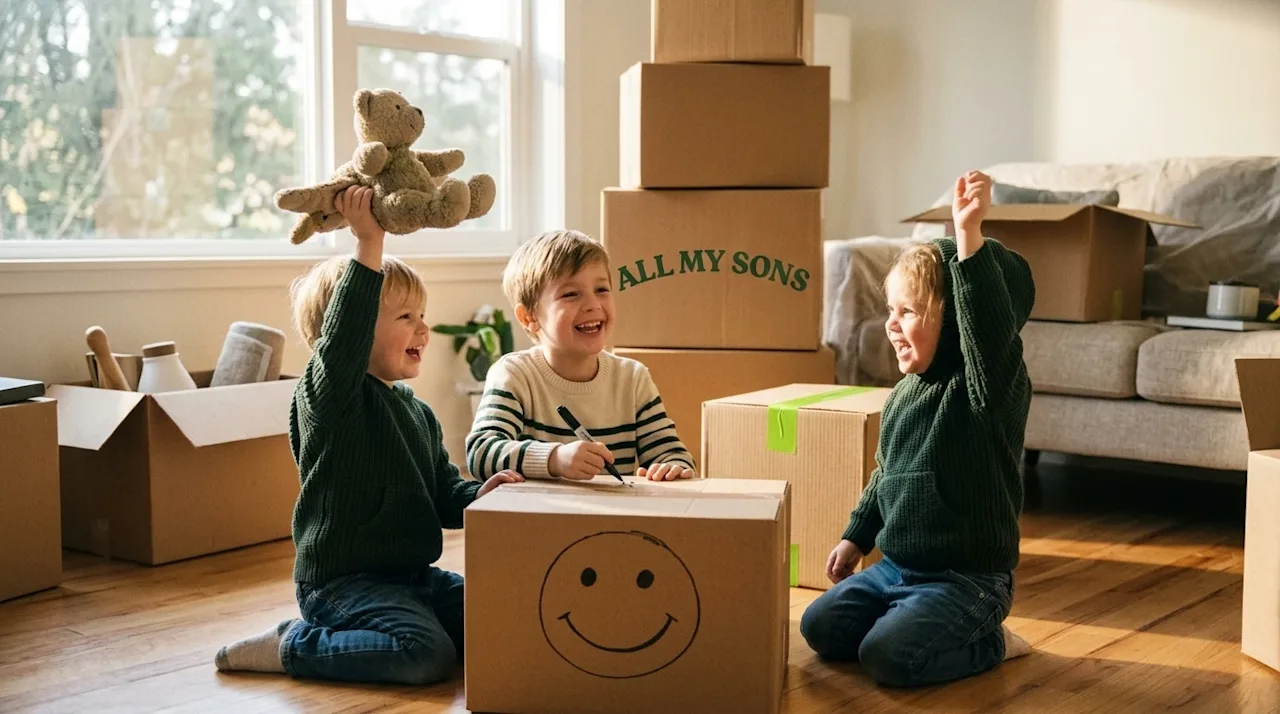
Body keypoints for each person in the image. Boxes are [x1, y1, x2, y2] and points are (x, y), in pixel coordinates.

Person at [214, 186, 523, 684]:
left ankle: (386, 630)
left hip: (413, 579)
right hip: (342, 584)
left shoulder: (417, 414)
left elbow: (444, 493)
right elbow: (344, 339)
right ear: (350, 329)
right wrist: (368, 242)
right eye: (405, 317)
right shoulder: (330, 395)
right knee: (425, 656)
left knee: (507, 621)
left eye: (422, 316)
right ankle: (295, 644)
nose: (423, 330)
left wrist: (481, 494)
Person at [799, 170, 1036, 687]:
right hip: (895, 568)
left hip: (966, 580)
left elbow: (989, 337)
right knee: (819, 628)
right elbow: (887, 473)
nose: (891, 324)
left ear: (956, 323)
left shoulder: (988, 391)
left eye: (909, 312)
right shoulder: (905, 393)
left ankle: (992, 642)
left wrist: (968, 237)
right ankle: (906, 621)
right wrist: (856, 538)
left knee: (889, 658)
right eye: (891, 310)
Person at [465, 229, 696, 482]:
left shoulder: (633, 378)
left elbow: (672, 454)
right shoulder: (514, 375)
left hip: (617, 518)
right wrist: (555, 459)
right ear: (529, 317)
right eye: (571, 294)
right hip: (539, 519)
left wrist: (673, 466)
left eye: (601, 290)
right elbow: (481, 453)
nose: (593, 304)